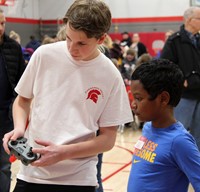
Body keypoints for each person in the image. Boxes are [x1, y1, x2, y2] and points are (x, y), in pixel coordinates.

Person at [3, 1, 133, 192]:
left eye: (81, 43)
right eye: (69, 38)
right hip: (32, 174)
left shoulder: (110, 75)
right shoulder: (44, 55)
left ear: (101, 38)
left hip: (79, 179)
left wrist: (63, 153)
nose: (72, 48)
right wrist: (19, 128)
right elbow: (22, 100)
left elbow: (108, 139)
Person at [127, 59, 200, 192]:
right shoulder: (148, 127)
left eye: (139, 98)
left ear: (163, 99)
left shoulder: (179, 141)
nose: (133, 104)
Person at [160, 6, 200, 149]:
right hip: (183, 96)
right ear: (190, 20)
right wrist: (181, 80)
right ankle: (174, 162)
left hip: (199, 94)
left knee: (198, 135)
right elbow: (165, 66)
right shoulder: (174, 40)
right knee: (178, 132)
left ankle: (195, 164)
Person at [0, 9, 26, 192]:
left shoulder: (13, 48)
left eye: (2, 23)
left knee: (3, 167)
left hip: (5, 118)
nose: (0, 28)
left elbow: (23, 86)